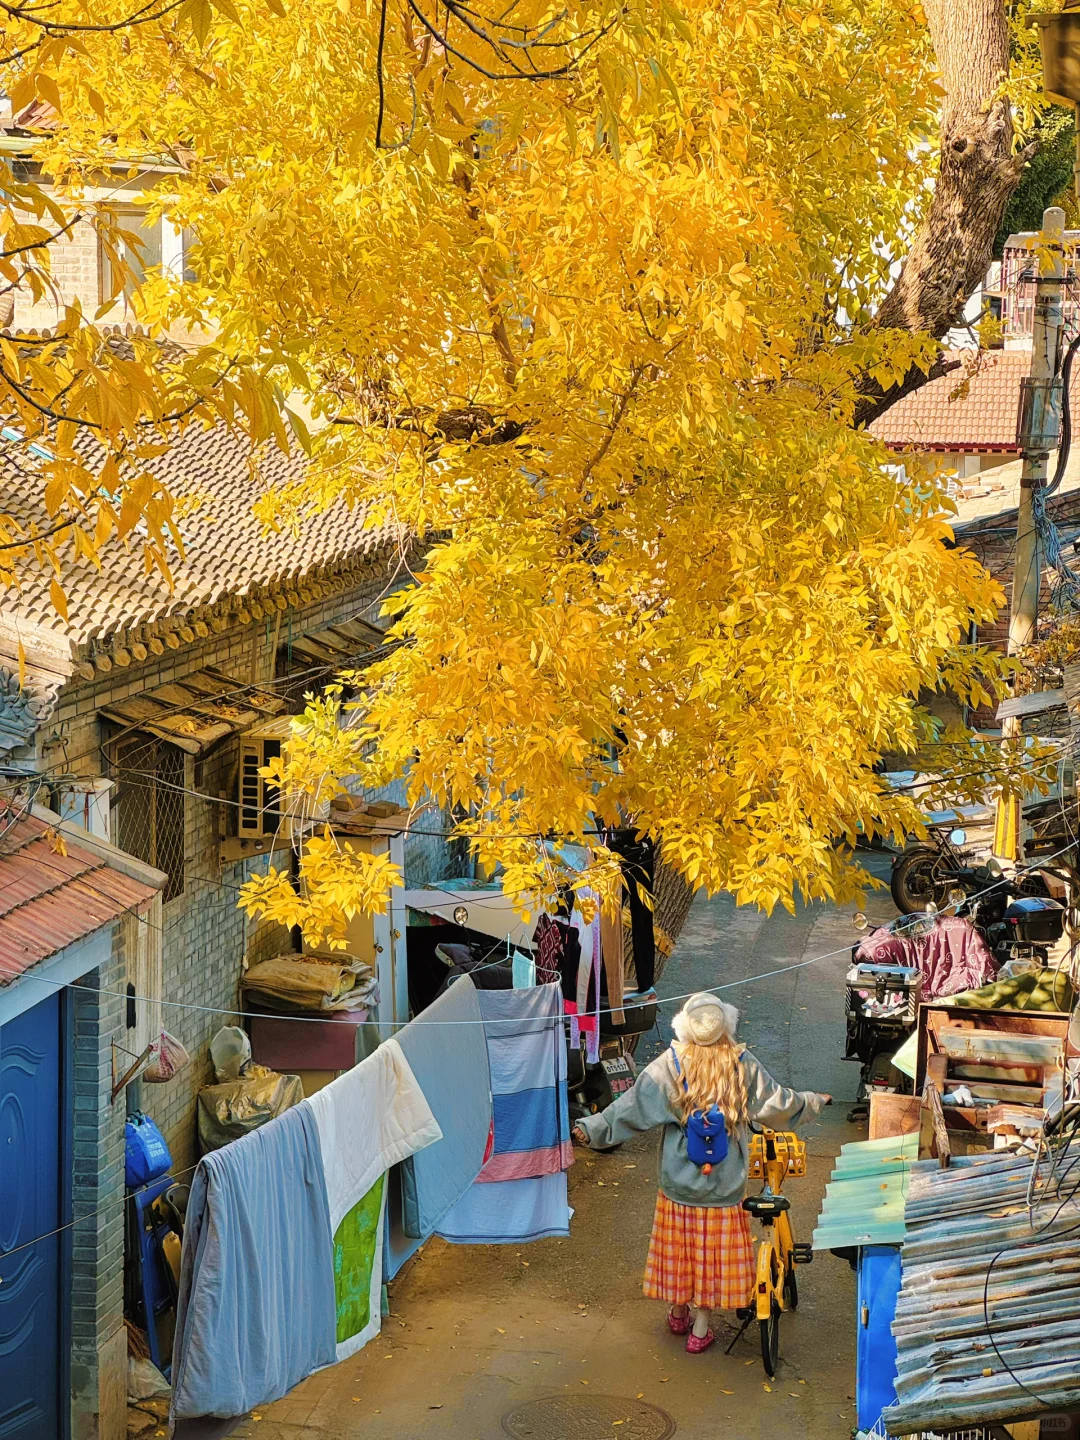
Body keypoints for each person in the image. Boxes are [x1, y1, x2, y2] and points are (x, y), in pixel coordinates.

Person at [572, 992, 830, 1353]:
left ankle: (679, 1314)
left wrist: (592, 1128)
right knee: (712, 1257)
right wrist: (814, 1101)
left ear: (684, 1027)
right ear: (726, 1025)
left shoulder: (670, 1064)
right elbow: (778, 1103)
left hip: (678, 1183)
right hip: (724, 1186)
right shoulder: (740, 1063)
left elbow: (630, 1107)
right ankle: (701, 1328)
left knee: (680, 1250)